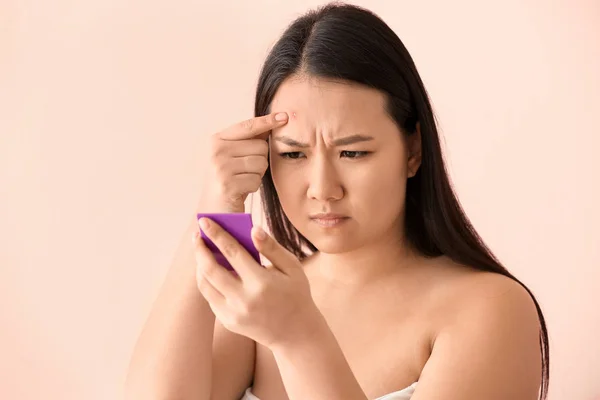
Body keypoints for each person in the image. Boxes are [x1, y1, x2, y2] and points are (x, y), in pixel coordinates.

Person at [124, 3, 549, 400]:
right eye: (292, 154)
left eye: (353, 153)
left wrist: (299, 336)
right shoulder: (261, 299)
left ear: (413, 150)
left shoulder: (489, 310)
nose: (323, 188)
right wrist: (213, 211)